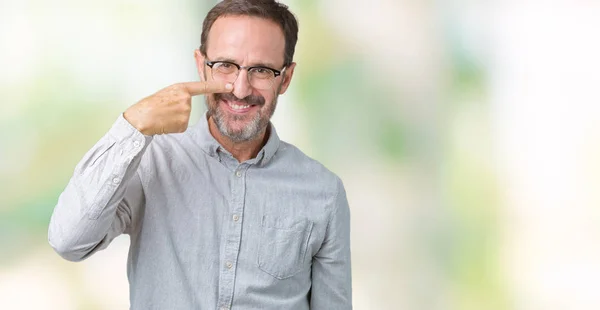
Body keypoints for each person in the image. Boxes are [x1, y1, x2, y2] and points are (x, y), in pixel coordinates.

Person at [48, 0, 352, 309]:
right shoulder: (151, 162)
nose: (240, 88)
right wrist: (134, 124)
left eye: (261, 70)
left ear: (285, 78)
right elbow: (69, 241)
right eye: (225, 66)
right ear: (200, 65)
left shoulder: (324, 191)